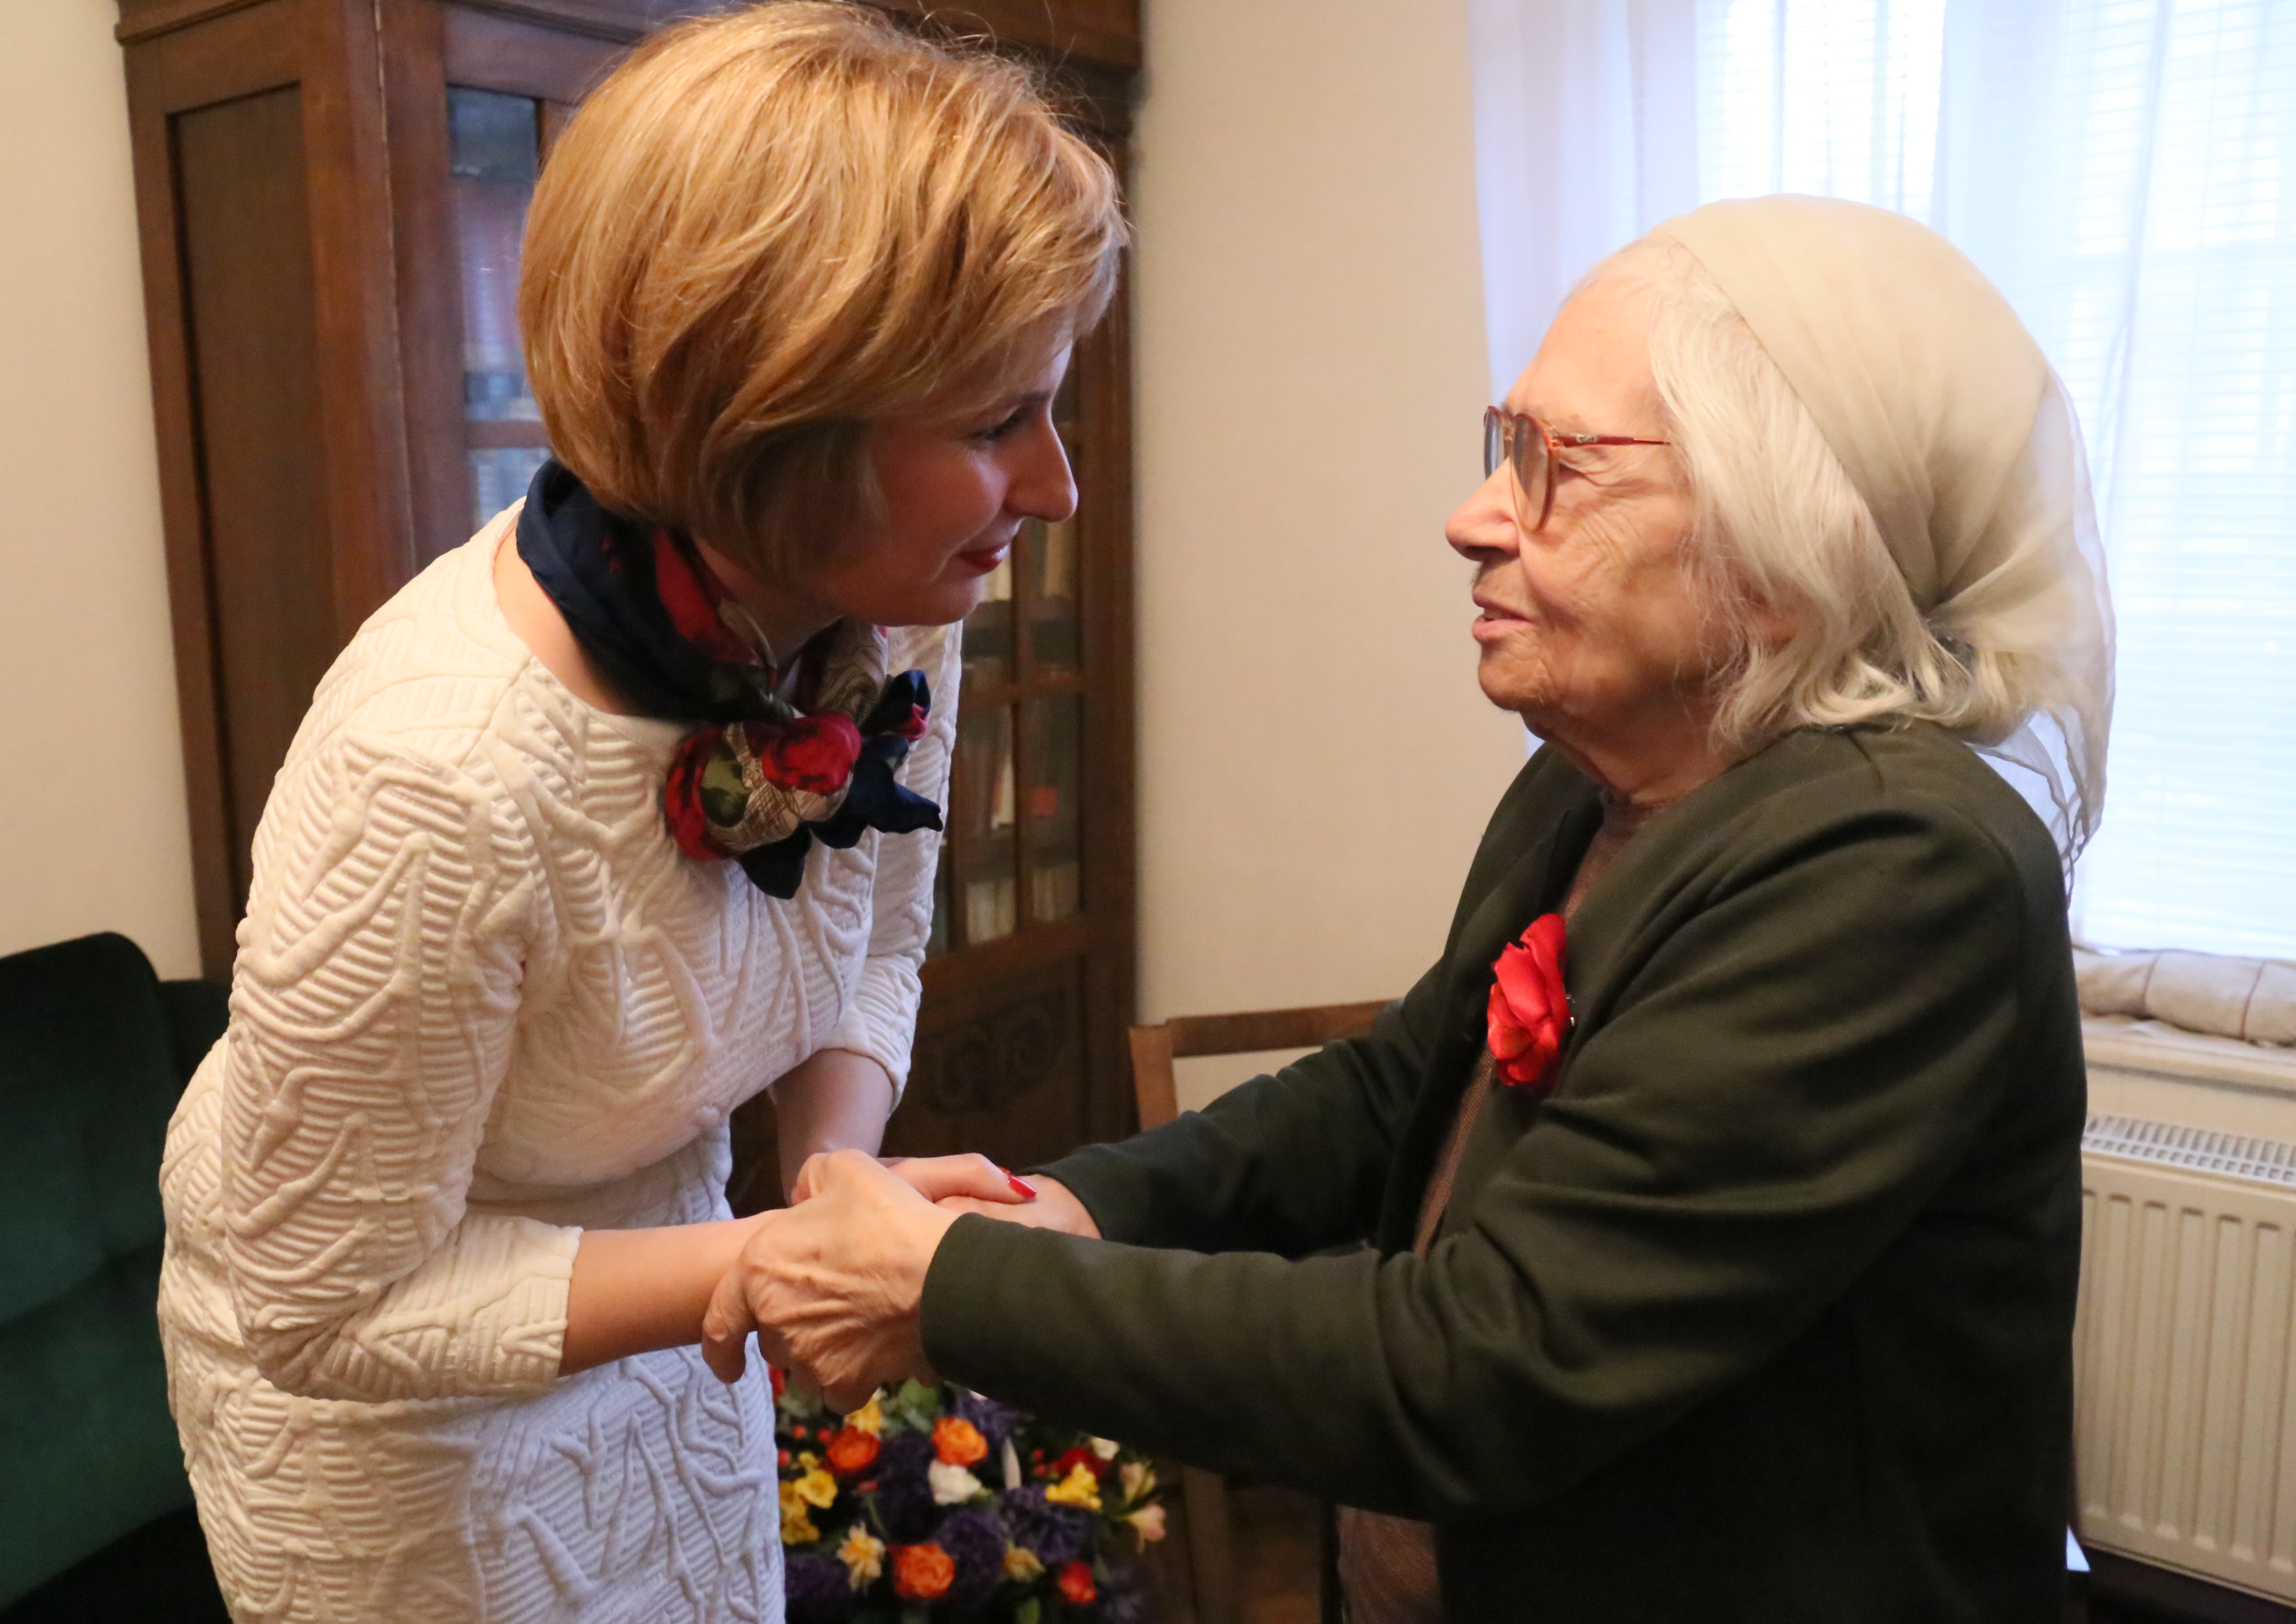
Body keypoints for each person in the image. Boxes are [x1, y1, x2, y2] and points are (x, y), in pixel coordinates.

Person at [701, 194, 2113, 1622]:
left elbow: (1489, 1362)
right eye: (1504, 449)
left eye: (1557, 467)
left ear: (1791, 546)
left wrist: (955, 1282)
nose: (1472, 518)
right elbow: (1397, 1094)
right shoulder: (1600, 781)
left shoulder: (1892, 866)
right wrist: (1073, 1205)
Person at [154, 7, 1121, 1618]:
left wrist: (833, 1183)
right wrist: (766, 1267)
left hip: (668, 1312)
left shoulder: (894, 615)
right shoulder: (440, 773)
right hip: (401, 1439)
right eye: (992, 421)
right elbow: (323, 1305)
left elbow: (876, 930)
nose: (1057, 487)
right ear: (778, 428)